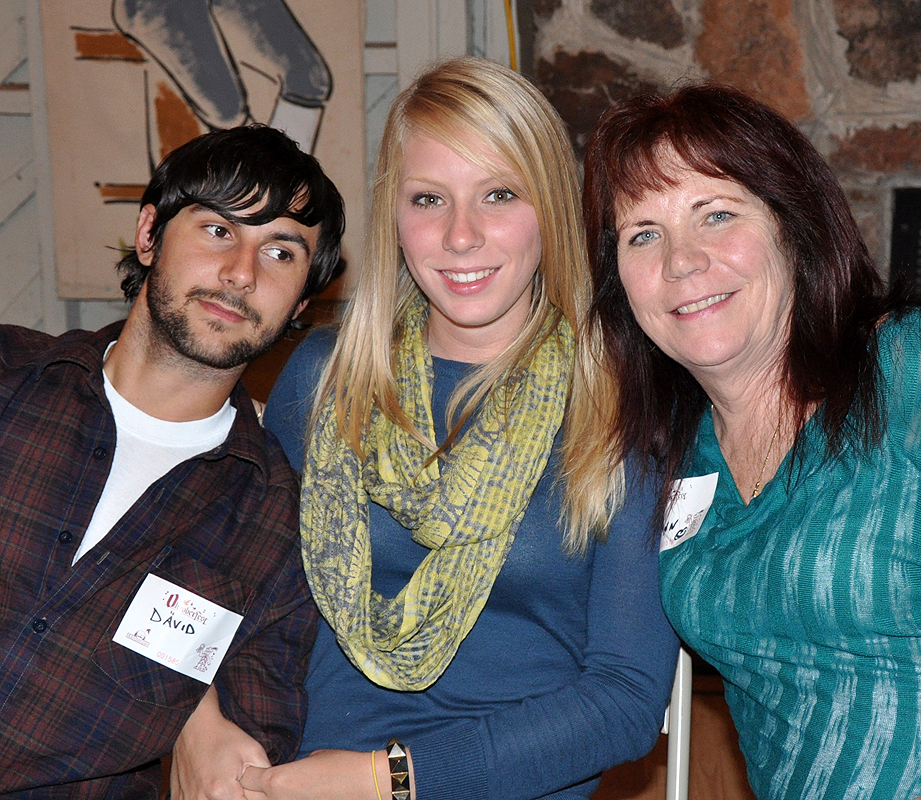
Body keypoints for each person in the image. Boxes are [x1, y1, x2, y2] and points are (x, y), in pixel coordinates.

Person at [188, 56, 677, 800]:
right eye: (428, 198)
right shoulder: (323, 376)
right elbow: (209, 575)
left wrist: (383, 781)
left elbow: (622, 702)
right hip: (282, 776)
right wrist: (198, 722)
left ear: (549, 205)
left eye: (499, 195)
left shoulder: (622, 402)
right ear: (396, 215)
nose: (459, 236)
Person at [584, 82, 921, 799]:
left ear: (792, 226)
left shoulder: (910, 371)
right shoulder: (670, 457)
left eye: (716, 214)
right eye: (642, 233)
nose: (681, 261)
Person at [0, 124, 343, 798]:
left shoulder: (280, 531)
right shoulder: (11, 376)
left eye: (279, 251)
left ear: (302, 302)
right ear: (149, 234)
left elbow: (235, 770)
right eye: (218, 230)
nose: (241, 273)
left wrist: (205, 718)